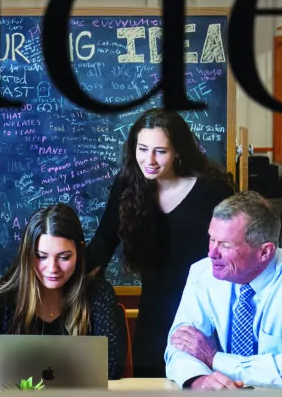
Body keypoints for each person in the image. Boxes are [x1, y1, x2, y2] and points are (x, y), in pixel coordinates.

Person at [86, 108, 235, 377]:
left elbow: (234, 248)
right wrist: (68, 270)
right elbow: (104, 240)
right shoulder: (127, 185)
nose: (149, 160)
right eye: (142, 149)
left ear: (178, 150)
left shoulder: (212, 190)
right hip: (153, 315)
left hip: (204, 316)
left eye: (160, 151)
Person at [164, 191, 282, 390]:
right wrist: (198, 379)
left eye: (225, 244)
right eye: (211, 239)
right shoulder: (202, 272)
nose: (212, 253)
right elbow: (181, 345)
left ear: (264, 252)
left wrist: (215, 359)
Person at [0, 203, 127, 382]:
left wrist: (23, 370)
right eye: (41, 256)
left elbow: (111, 367)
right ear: (27, 254)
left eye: (64, 257)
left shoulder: (98, 294)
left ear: (79, 252)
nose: (52, 268)